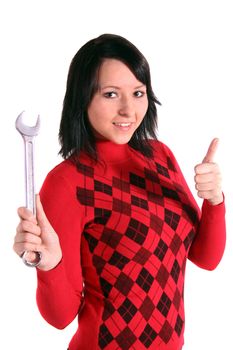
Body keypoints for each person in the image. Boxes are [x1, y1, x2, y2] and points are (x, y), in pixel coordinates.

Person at [13, 34, 226, 350]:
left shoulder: (160, 156)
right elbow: (59, 318)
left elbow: (205, 258)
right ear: (82, 98)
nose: (129, 110)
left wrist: (215, 200)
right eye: (111, 94)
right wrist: (50, 264)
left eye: (138, 93)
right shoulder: (67, 182)